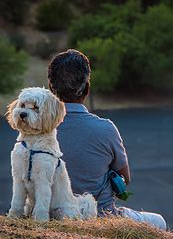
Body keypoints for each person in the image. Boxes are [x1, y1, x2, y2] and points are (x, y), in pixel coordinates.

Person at [48, 49, 166, 230]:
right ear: (87, 89)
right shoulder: (106, 129)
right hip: (101, 217)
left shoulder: (38, 130)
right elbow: (125, 180)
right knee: (159, 222)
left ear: (50, 88)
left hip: (52, 216)